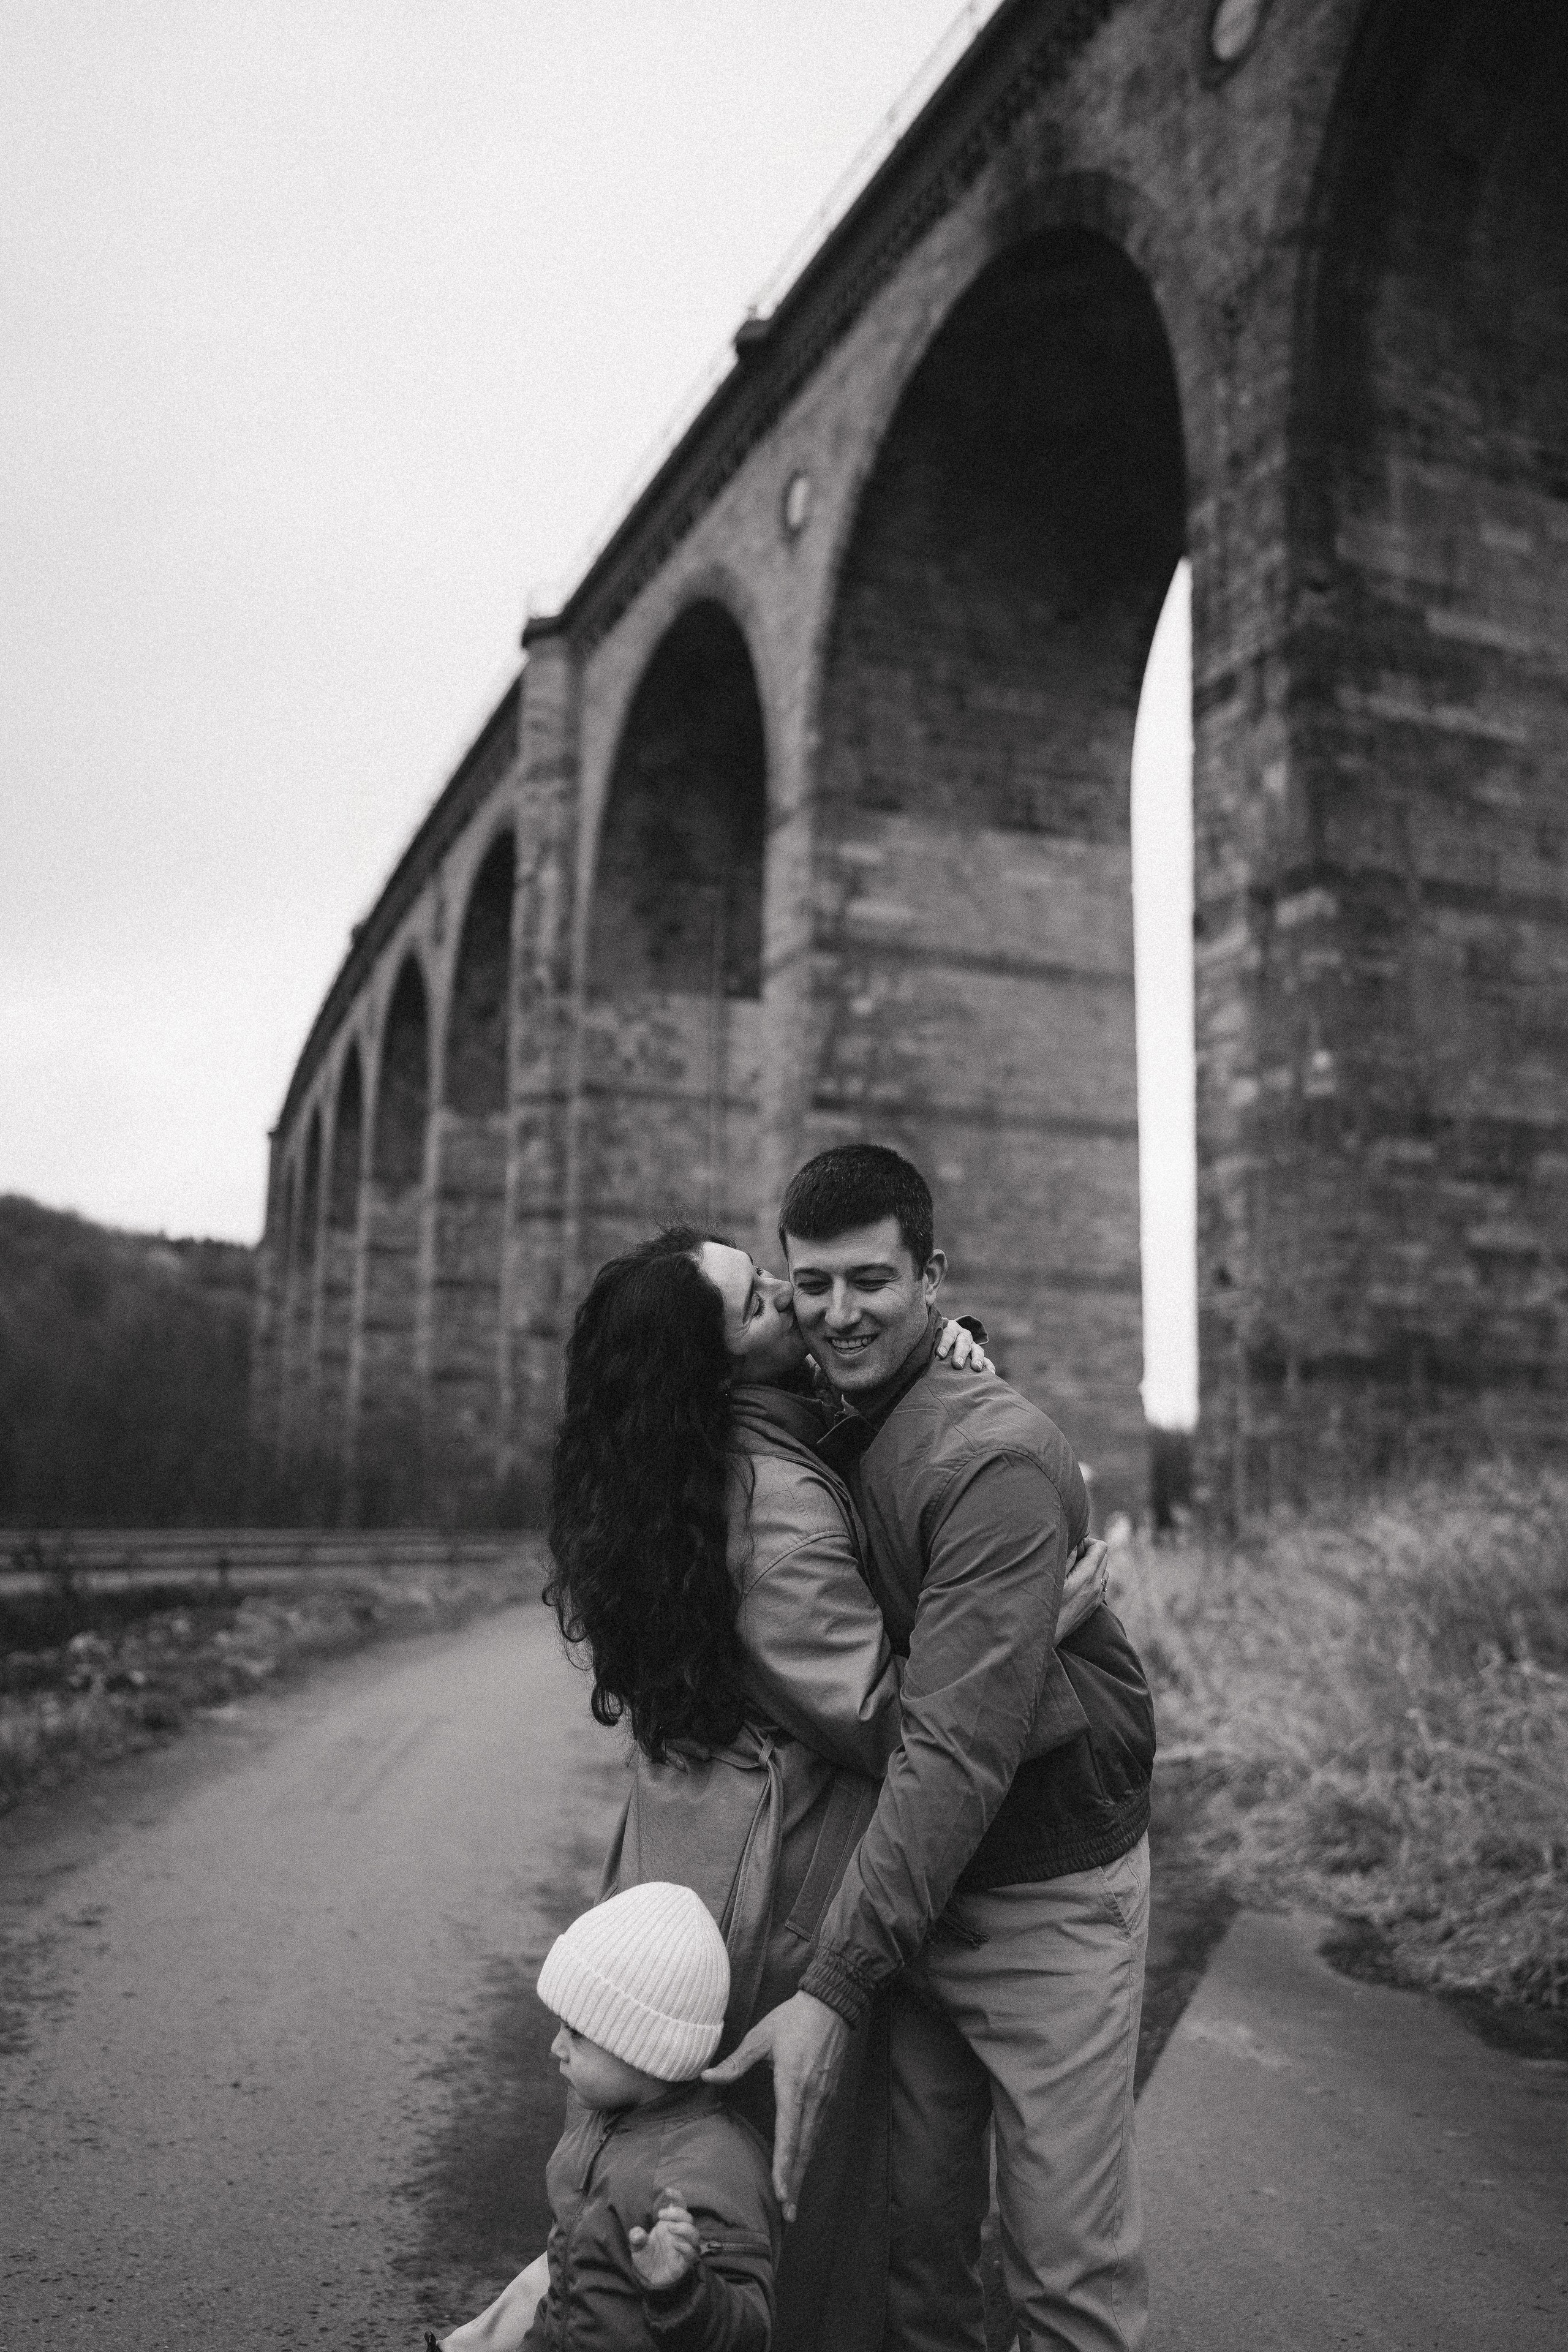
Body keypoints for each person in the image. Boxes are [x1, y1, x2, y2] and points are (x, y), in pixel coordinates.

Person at [540, 1224, 1107, 2350]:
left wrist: (947, 1349)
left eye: (763, 1272)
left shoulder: (689, 1477)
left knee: (668, 2192)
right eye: (758, 1302)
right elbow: (894, 1718)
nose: (790, 1300)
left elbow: (858, 1429)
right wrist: (1033, 1625)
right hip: (769, 1892)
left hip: (692, 1857)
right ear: (716, 1371)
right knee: (773, 2215)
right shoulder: (777, 1513)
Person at [708, 1144, 1156, 2352]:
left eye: (871, 1281)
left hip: (1041, 1894)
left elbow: (954, 1751)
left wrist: (834, 1985)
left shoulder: (992, 1459)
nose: (838, 1313)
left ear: (930, 1277)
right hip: (909, 1894)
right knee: (916, 2266)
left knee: (1063, 2273)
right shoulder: (823, 1412)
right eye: (811, 1285)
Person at [434, 1880, 777, 2352]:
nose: (556, 2047)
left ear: (642, 2047)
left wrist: (682, 2290)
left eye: (575, 2032)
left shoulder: (707, 2171)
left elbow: (748, 2335)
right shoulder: (605, 2122)